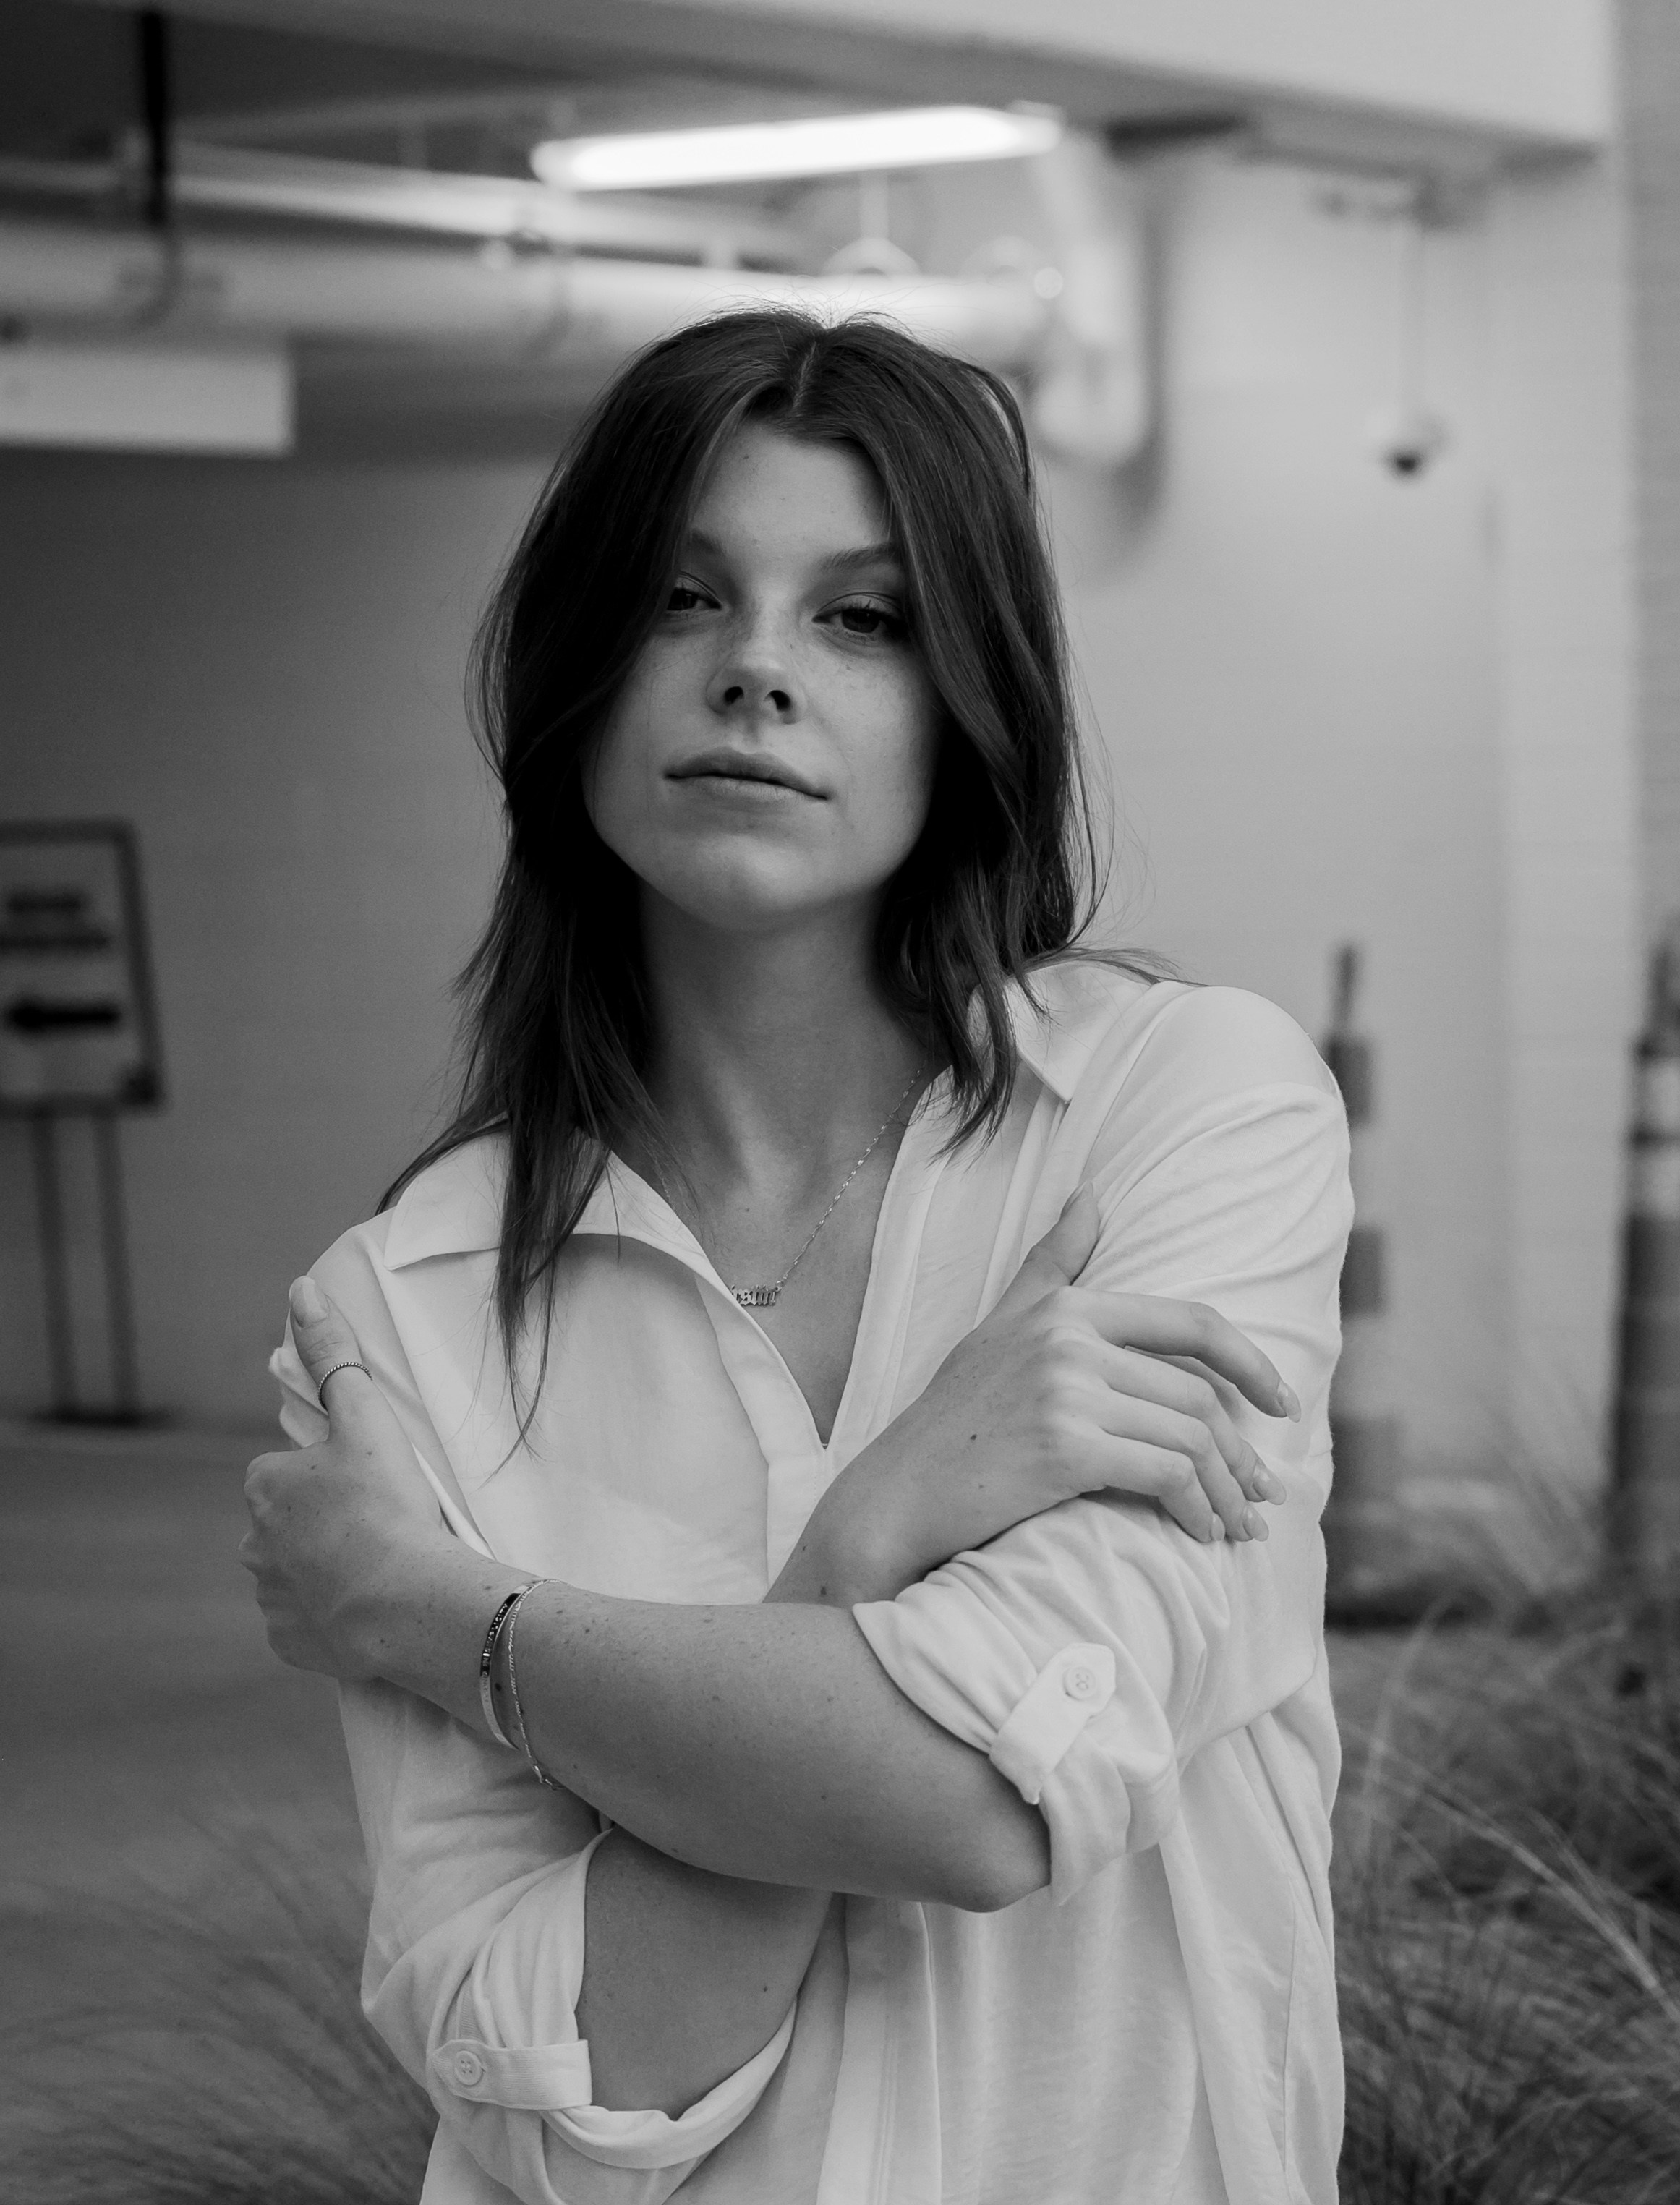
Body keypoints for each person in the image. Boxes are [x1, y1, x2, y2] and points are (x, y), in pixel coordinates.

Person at [241, 308, 1349, 2205]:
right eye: (684, 599)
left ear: (968, 698)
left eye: (862, 617)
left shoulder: (1184, 1117)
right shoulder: (396, 1316)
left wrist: (440, 1617)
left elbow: (988, 1796)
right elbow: (571, 2078)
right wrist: (877, 1534)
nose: (756, 670)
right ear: (581, 678)